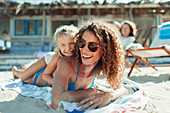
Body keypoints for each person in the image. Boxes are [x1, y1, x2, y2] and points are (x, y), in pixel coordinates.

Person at [52, 20, 128, 110]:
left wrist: (109, 96)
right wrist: (90, 92)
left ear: (105, 50)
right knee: (31, 78)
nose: (84, 50)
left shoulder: (99, 65)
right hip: (41, 76)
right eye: (82, 43)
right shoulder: (66, 63)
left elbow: (123, 89)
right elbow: (56, 100)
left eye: (92, 46)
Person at [12, 25, 79, 87]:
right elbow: (45, 75)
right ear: (58, 46)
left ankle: (29, 65)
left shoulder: (79, 54)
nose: (68, 48)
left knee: (29, 78)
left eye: (72, 43)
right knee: (23, 76)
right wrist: (57, 84)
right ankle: (15, 71)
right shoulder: (57, 56)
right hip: (47, 59)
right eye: (63, 45)